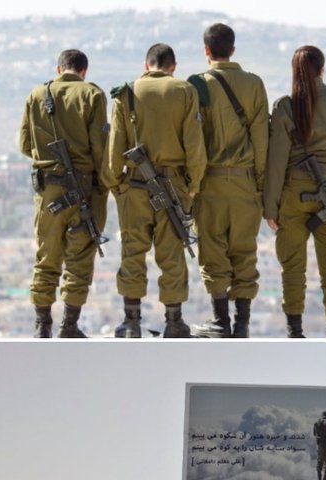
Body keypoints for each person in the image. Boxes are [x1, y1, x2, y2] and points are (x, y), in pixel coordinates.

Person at [103, 43, 207, 338]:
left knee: (133, 251)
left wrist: (116, 184)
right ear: (173, 66)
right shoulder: (185, 91)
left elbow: (115, 148)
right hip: (174, 186)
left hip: (134, 187)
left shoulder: (126, 93)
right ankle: (174, 321)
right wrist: (193, 185)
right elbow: (194, 145)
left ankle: (131, 321)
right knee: (172, 252)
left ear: (145, 64)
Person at [264, 45, 326, 338]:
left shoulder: (285, 107)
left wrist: (270, 207)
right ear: (322, 67)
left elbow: (276, 161)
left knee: (292, 268)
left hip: (293, 195)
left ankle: (295, 331)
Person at [187, 23, 269, 339]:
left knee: (213, 252)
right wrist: (261, 187)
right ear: (232, 50)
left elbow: (193, 143)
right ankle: (243, 324)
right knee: (245, 252)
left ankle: (221, 322)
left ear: (206, 51)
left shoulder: (196, 85)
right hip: (246, 183)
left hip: (210, 184)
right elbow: (262, 140)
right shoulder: (254, 84)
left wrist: (192, 185)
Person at [20, 49, 109, 338]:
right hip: (84, 189)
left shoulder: (36, 95)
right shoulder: (92, 95)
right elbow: (100, 148)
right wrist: (106, 184)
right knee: (79, 258)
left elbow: (24, 143)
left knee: (47, 255)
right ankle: (69, 326)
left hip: (48, 190)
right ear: (84, 71)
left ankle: (41, 325)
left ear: (59, 70)